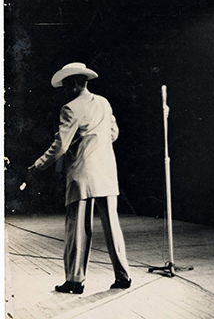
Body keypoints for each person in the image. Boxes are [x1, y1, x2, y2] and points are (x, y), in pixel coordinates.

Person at [28, 62, 131, 294]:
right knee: (112, 225)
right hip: (105, 171)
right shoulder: (104, 102)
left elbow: (61, 145)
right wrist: (94, 140)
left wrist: (38, 165)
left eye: (65, 86)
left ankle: (75, 280)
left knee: (78, 228)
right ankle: (123, 276)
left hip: (83, 174)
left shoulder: (70, 108)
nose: (64, 91)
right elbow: (113, 133)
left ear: (74, 84)